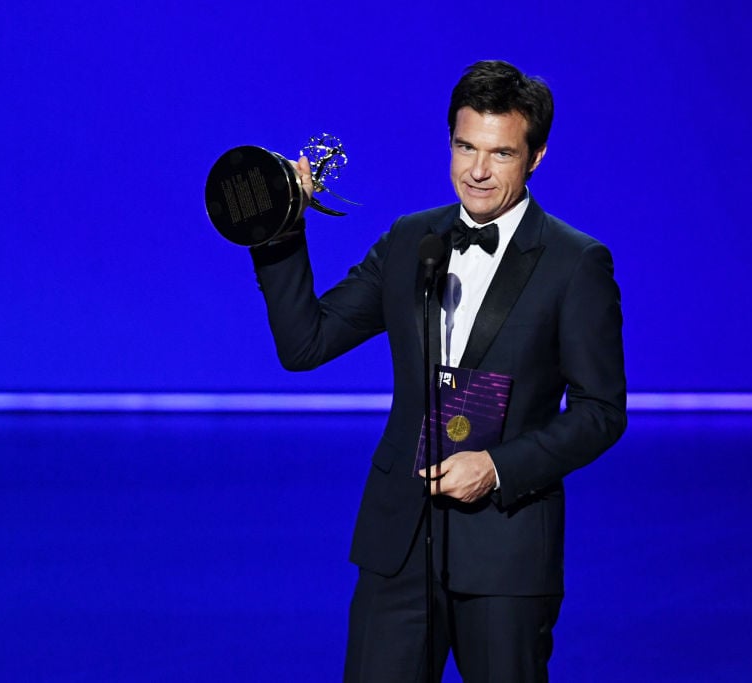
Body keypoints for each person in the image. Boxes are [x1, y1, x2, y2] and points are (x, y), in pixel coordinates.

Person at [249, 60, 626, 682]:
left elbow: (601, 412)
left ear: (535, 157)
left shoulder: (575, 262)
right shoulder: (409, 240)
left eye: (501, 153)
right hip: (399, 543)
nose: (477, 170)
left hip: (505, 552)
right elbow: (305, 343)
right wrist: (280, 228)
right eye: (464, 146)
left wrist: (498, 467)